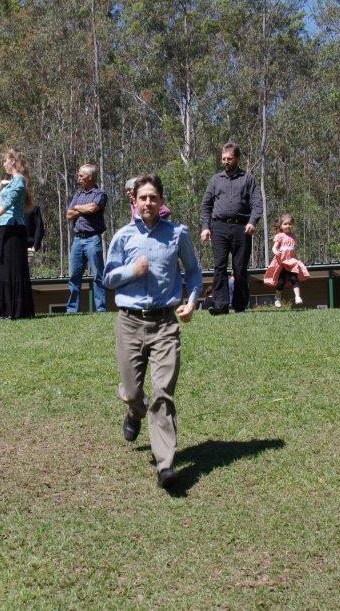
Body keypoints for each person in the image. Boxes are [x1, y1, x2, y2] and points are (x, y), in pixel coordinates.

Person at [104, 175, 202, 490]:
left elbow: (193, 271)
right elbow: (108, 277)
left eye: (153, 197)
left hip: (165, 324)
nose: (148, 202)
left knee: (163, 393)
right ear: (134, 201)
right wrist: (132, 271)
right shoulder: (123, 236)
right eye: (143, 197)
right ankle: (135, 411)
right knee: (134, 392)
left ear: (161, 201)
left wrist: (191, 301)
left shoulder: (178, 234)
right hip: (129, 323)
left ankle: (165, 464)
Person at [199, 142, 263, 315]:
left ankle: (240, 305)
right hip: (219, 227)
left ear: (237, 159)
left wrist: (252, 222)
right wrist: (205, 227)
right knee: (219, 266)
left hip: (242, 227)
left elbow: (257, 204)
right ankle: (221, 305)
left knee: (239, 268)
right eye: (223, 159)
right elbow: (206, 206)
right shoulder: (215, 180)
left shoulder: (248, 179)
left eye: (229, 158)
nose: (226, 162)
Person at [0, 149, 35, 319]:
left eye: (5, 161)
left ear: (13, 161)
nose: (4, 164)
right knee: (2, 267)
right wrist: (1, 184)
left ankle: (17, 310)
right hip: (3, 227)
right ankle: (3, 310)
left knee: (13, 269)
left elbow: (7, 204)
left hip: (13, 229)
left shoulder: (19, 180)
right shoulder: (12, 181)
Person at [65, 164, 108, 313]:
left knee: (98, 275)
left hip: (93, 239)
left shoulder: (100, 194)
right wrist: (83, 209)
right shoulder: (78, 194)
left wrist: (77, 208)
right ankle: (72, 310)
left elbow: (92, 208)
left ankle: (101, 309)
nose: (78, 178)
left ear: (89, 177)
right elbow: (68, 215)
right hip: (77, 240)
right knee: (74, 277)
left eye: (81, 176)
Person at [263, 213, 309, 307]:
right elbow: (274, 247)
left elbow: (292, 249)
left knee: (294, 279)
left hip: (291, 262)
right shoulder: (279, 236)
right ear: (281, 226)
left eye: (290, 224)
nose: (288, 225)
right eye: (285, 224)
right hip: (282, 262)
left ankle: (297, 297)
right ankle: (277, 298)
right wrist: (275, 251)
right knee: (281, 282)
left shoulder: (293, 236)